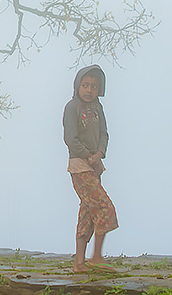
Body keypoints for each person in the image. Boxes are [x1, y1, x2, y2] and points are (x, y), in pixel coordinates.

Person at [62, 64, 118, 272]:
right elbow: (70, 138)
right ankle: (95, 257)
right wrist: (88, 156)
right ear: (77, 86)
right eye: (85, 85)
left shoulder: (97, 108)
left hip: (95, 166)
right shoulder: (71, 107)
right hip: (79, 167)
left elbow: (104, 133)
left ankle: (80, 263)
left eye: (94, 86)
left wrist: (99, 154)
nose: (89, 90)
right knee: (104, 208)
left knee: (87, 212)